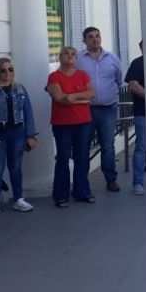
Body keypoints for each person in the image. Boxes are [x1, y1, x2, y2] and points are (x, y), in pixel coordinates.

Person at [0, 58, 38, 219]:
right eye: (3, 70)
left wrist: (30, 135)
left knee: (16, 167)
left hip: (17, 132)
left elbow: (28, 112)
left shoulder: (19, 89)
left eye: (10, 69)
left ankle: (19, 199)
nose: (7, 73)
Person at [47, 46, 96, 208]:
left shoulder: (82, 75)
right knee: (62, 158)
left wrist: (73, 97)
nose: (70, 56)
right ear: (60, 57)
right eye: (66, 53)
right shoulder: (54, 76)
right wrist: (83, 99)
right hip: (62, 124)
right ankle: (61, 195)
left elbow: (92, 94)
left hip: (84, 122)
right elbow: (59, 97)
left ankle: (82, 192)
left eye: (73, 54)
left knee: (82, 157)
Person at [76, 26, 123, 192]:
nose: (95, 39)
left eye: (97, 36)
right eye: (90, 37)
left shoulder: (112, 58)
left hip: (107, 109)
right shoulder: (78, 59)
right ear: (84, 40)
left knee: (108, 145)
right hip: (84, 109)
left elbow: (119, 79)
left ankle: (111, 179)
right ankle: (81, 182)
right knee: (83, 146)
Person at [125, 41, 146, 195]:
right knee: (142, 147)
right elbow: (133, 85)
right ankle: (138, 182)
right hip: (143, 113)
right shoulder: (137, 63)